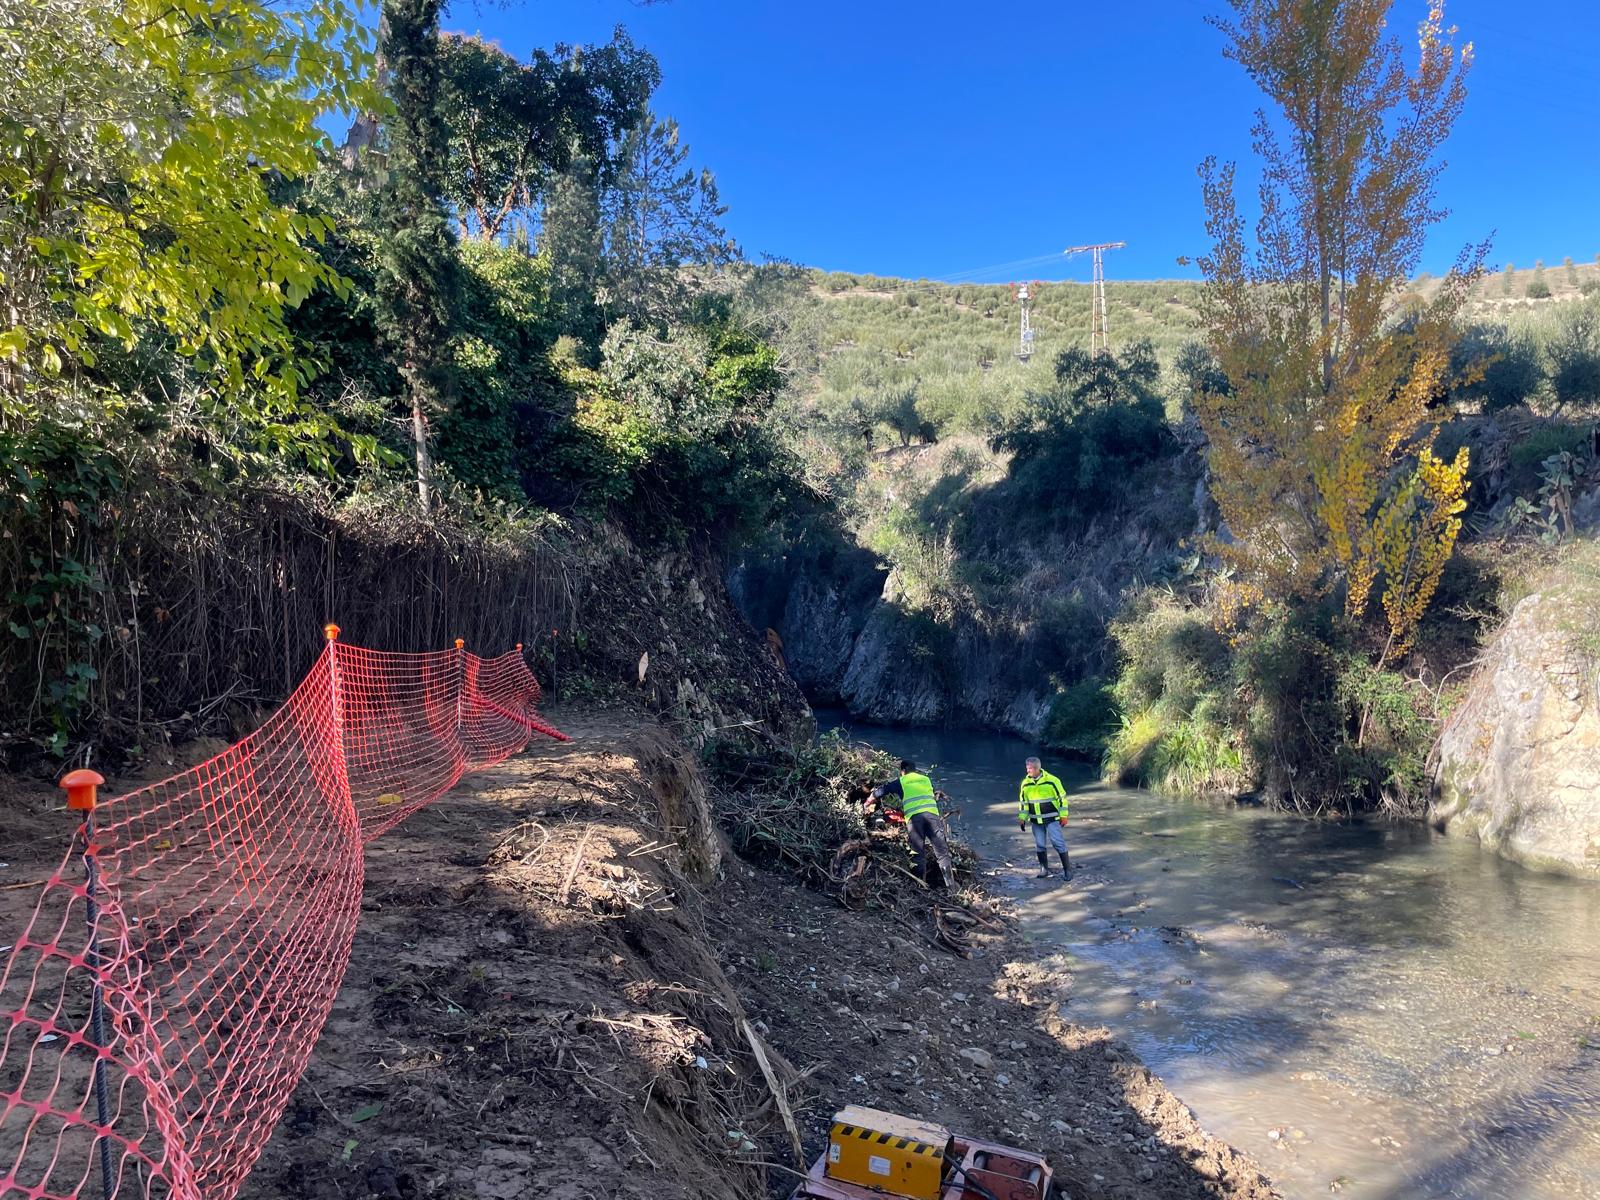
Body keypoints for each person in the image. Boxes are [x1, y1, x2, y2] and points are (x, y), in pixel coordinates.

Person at [871, 759, 953, 889]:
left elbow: (881, 791)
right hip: (932, 817)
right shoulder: (925, 779)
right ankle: (951, 887)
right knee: (942, 852)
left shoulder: (902, 781)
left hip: (915, 820)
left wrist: (869, 800)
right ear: (914, 770)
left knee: (917, 852)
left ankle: (920, 886)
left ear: (902, 771)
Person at [1018, 756, 1070, 880]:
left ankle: (1067, 870)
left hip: (1052, 819)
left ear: (1037, 769)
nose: (1027, 771)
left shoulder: (1052, 781)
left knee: (1058, 843)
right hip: (1036, 820)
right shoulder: (1025, 783)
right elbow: (1023, 802)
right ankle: (1044, 869)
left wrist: (1064, 816)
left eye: (1029, 769)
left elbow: (1062, 799)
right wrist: (1022, 818)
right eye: (1027, 768)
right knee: (1040, 845)